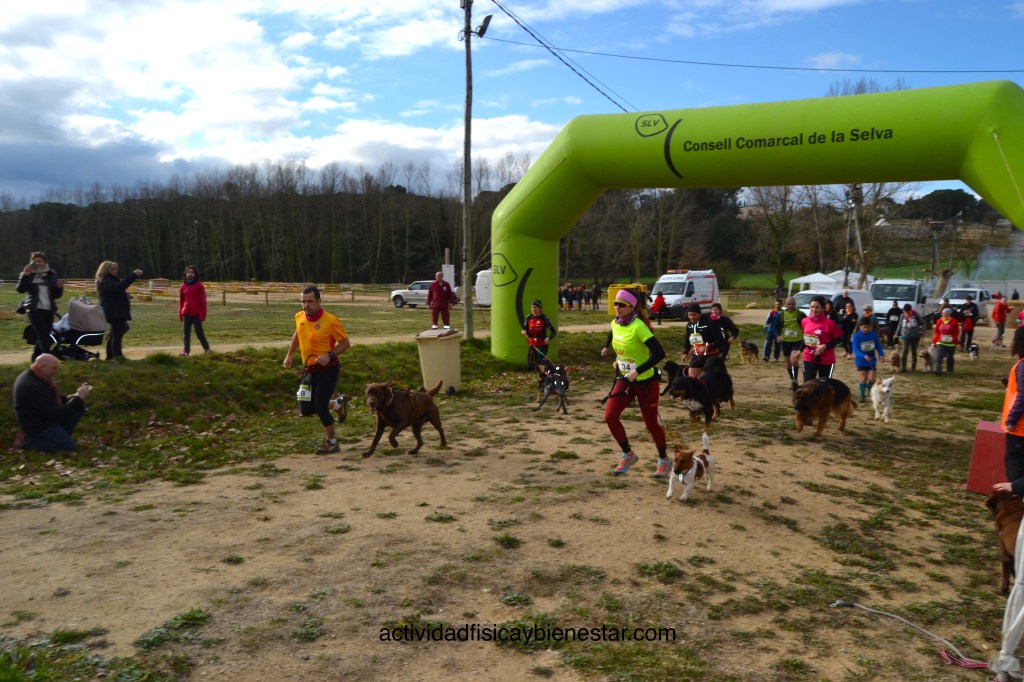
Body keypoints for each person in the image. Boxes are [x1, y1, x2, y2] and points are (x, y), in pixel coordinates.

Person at [599, 288, 669, 478]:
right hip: (625, 380)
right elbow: (613, 334)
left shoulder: (639, 326)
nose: (617, 307)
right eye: (615, 303)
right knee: (610, 416)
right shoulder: (615, 323)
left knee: (650, 424)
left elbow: (660, 353)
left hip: (645, 382)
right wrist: (608, 349)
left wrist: (638, 370)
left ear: (631, 307)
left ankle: (664, 459)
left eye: (622, 304)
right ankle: (628, 454)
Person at [282, 286, 351, 455]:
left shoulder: (331, 321)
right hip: (309, 370)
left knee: (320, 406)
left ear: (319, 301)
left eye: (310, 301)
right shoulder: (299, 317)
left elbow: (345, 343)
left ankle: (332, 443)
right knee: (305, 408)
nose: (306, 305)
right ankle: (337, 404)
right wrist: (289, 355)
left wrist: (329, 354)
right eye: (303, 301)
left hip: (328, 370)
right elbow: (298, 334)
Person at [13, 354, 91, 452]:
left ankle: (60, 436)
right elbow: (57, 414)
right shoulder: (33, 385)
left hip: (45, 418)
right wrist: (79, 399)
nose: (56, 371)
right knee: (69, 448)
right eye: (54, 368)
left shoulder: (39, 376)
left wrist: (68, 399)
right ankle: (28, 442)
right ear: (42, 366)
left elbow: (49, 399)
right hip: (38, 427)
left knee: (78, 407)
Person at [17, 252, 64, 360]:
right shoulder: (28, 274)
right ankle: (50, 359)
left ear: (45, 262)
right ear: (31, 262)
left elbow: (56, 295)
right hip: (34, 309)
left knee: (44, 335)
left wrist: (59, 287)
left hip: (48, 309)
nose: (37, 263)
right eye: (35, 261)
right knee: (43, 335)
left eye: (40, 261)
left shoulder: (52, 274)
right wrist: (25, 276)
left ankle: (35, 359)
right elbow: (20, 290)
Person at [95, 261, 143, 361]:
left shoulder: (108, 280)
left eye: (116, 269)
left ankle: (110, 356)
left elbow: (115, 292)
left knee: (117, 332)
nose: (116, 271)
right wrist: (133, 275)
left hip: (114, 311)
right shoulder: (106, 281)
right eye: (113, 269)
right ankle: (118, 356)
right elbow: (118, 288)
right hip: (114, 312)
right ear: (106, 270)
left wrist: (126, 296)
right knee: (117, 335)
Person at [996, 327, 1024, 496]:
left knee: (1016, 470)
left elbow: (1023, 395)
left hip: (1019, 429)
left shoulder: (1022, 365)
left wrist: (1011, 420)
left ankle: (1017, 500)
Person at [800, 296, 843, 381]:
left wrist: (825, 346)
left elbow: (839, 339)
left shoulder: (829, 323)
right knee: (808, 385)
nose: (814, 309)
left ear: (823, 308)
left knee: (823, 386)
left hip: (826, 359)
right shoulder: (804, 321)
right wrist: (799, 350)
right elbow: (806, 338)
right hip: (809, 357)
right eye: (812, 307)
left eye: (817, 307)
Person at [681, 303, 726, 378]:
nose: (692, 317)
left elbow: (720, 340)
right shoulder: (689, 325)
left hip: (711, 355)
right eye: (690, 315)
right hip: (697, 355)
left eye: (694, 314)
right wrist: (685, 352)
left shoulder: (709, 323)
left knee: (711, 378)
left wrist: (708, 346)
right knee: (691, 377)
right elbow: (688, 338)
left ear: (699, 314)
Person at [772, 296, 806, 389]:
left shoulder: (800, 314)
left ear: (795, 304)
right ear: (785, 305)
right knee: (788, 362)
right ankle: (792, 380)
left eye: (793, 304)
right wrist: (777, 335)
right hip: (785, 341)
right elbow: (774, 327)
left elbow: (807, 325)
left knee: (793, 359)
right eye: (789, 304)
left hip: (797, 341)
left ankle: (795, 379)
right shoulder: (780, 315)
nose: (791, 306)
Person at [179, 265, 211, 356]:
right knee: (186, 334)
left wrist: (202, 315)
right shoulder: (183, 286)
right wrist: (181, 314)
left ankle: (207, 348)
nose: (190, 274)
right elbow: (181, 302)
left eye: (192, 272)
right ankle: (186, 352)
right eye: (188, 272)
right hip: (186, 313)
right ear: (186, 273)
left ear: (195, 274)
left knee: (199, 332)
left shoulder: (199, 286)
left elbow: (203, 302)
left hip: (196, 314)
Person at [851, 317, 884, 402]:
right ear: (860, 326)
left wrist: (881, 354)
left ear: (870, 326)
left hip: (871, 359)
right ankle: (862, 396)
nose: (865, 329)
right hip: (861, 360)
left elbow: (878, 346)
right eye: (863, 327)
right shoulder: (856, 336)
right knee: (863, 378)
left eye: (867, 327)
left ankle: (870, 387)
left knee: (872, 379)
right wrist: (863, 356)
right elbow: (855, 349)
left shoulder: (874, 335)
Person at [521, 299, 556, 369]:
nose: (533, 309)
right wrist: (523, 331)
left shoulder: (544, 318)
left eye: (535, 307)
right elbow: (524, 328)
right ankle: (544, 366)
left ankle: (548, 367)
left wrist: (549, 338)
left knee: (539, 363)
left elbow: (553, 332)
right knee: (529, 367)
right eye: (532, 307)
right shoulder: (528, 317)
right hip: (532, 344)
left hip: (542, 343)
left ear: (540, 308)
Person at [894, 304, 925, 372]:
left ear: (911, 310)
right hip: (905, 335)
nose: (906, 313)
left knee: (914, 351)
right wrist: (896, 333)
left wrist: (921, 330)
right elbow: (899, 325)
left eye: (907, 311)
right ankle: (903, 367)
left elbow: (923, 323)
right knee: (905, 351)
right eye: (905, 311)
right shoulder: (902, 315)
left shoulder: (916, 314)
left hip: (915, 336)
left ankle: (913, 367)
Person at [932, 307, 960, 375]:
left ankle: (950, 370)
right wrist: (938, 337)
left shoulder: (954, 322)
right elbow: (936, 331)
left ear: (949, 314)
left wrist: (953, 338)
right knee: (939, 356)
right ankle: (938, 370)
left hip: (950, 343)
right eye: (943, 314)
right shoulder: (939, 321)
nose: (944, 316)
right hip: (941, 342)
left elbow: (957, 332)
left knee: (950, 357)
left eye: (946, 314)